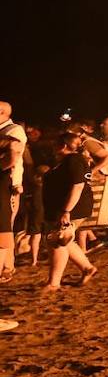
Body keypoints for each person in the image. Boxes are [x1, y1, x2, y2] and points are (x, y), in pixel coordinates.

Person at [42, 132, 98, 290]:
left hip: (73, 207)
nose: (53, 147)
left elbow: (78, 186)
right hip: (65, 207)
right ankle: (87, 268)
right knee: (65, 240)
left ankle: (54, 282)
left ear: (64, 145)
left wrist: (67, 210)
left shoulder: (74, 160)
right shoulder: (65, 161)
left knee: (57, 240)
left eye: (55, 144)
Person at [0, 100, 28, 285]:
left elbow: (14, 154)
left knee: (4, 226)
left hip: (8, 185)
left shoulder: (14, 130)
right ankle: (7, 265)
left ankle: (7, 267)